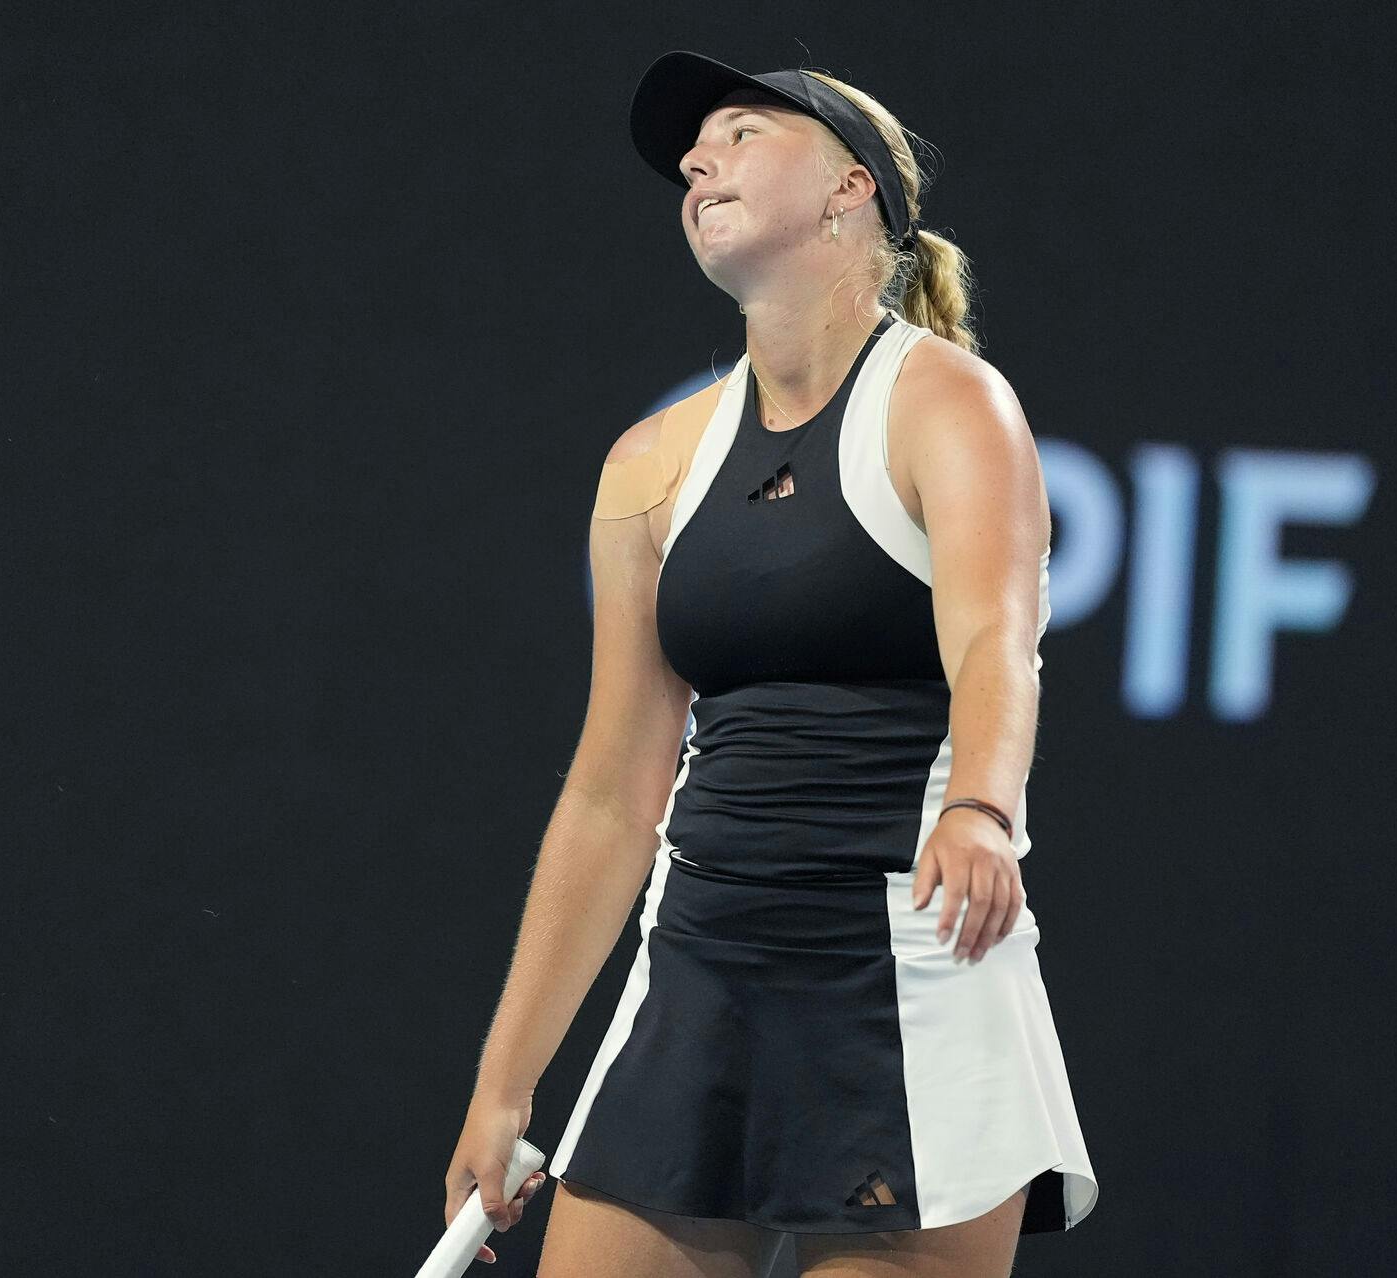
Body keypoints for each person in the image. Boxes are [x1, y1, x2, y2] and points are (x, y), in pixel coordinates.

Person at [443, 51, 1098, 1277]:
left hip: (911, 987)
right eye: (693, 154)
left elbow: (995, 641)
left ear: (853, 187)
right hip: (695, 981)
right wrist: (506, 1084)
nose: (699, 161)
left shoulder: (950, 402)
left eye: (741, 133)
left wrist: (980, 809)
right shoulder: (648, 462)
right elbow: (612, 786)